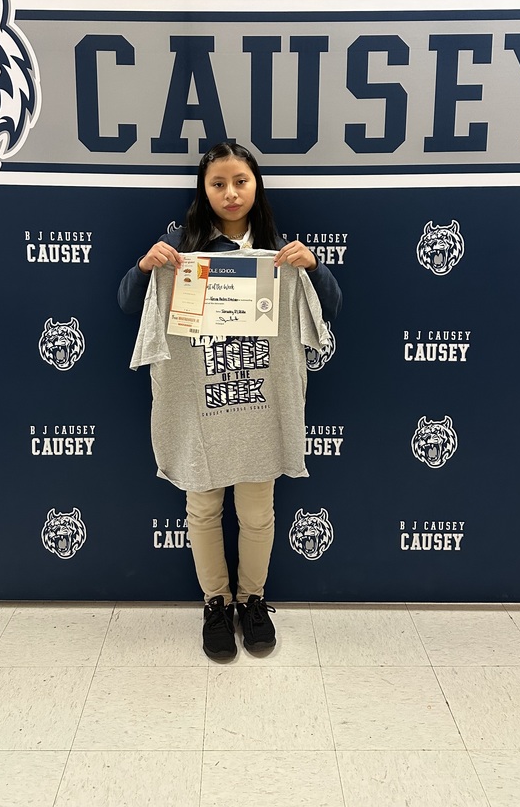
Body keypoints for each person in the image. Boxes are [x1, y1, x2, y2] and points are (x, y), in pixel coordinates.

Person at [119, 142, 341, 660]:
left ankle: (253, 600)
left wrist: (313, 267)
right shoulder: (181, 243)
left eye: (240, 180)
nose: (230, 192)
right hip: (200, 407)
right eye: (218, 183)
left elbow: (329, 307)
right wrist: (146, 266)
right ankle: (216, 603)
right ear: (204, 190)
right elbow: (130, 302)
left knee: (258, 513)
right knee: (203, 507)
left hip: (257, 406)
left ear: (256, 184)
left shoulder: (275, 247)